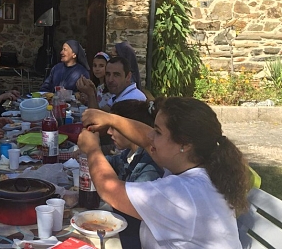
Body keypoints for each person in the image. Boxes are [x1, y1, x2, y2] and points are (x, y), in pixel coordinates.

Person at [79, 97, 250, 249]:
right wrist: (111, 119)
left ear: (185, 145)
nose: (151, 135)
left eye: (158, 132)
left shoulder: (182, 193)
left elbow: (110, 190)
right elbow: (146, 139)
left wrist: (92, 149)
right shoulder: (196, 167)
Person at [106, 100, 163, 248]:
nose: (109, 132)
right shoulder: (130, 153)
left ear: (130, 129)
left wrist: (93, 150)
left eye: (114, 128)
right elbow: (113, 161)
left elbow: (129, 205)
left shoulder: (150, 168)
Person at [77, 56, 146, 111]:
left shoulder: (132, 99)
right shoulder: (118, 93)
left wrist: (90, 95)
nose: (110, 80)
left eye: (116, 75)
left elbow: (97, 122)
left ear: (128, 76)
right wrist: (93, 92)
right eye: (107, 74)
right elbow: (101, 113)